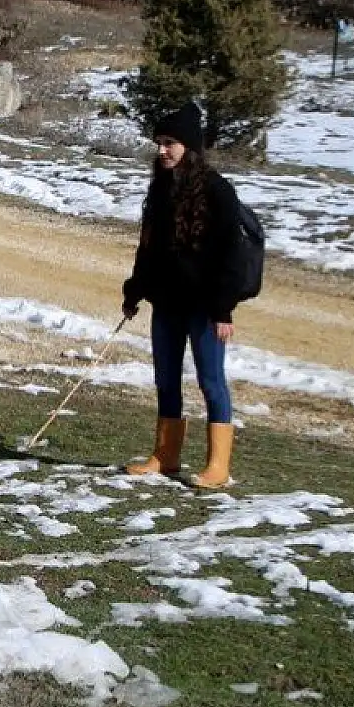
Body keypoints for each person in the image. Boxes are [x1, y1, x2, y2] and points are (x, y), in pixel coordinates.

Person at [121, 101, 242, 488]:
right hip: (167, 304)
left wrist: (223, 309)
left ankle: (218, 466)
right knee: (166, 379)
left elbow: (231, 256)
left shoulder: (218, 192)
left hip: (205, 308)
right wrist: (135, 289)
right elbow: (149, 249)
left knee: (211, 381)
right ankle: (165, 456)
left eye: (170, 143)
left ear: (189, 146)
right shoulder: (159, 190)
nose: (161, 150)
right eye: (158, 142)